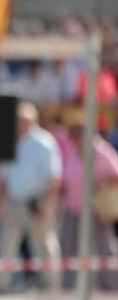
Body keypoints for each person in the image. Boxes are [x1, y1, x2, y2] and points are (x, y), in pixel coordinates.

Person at [0, 101, 62, 291]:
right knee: (7, 244)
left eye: (23, 120)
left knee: (44, 245)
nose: (19, 123)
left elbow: (54, 178)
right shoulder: (10, 141)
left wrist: (47, 205)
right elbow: (4, 176)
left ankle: (52, 285)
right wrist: (0, 202)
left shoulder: (44, 142)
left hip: (36, 201)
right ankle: (2, 285)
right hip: (14, 201)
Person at [52, 109, 118, 290]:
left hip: (96, 210)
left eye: (75, 135)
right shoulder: (73, 152)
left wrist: (99, 183)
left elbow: (115, 174)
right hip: (74, 208)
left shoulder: (100, 150)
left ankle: (112, 286)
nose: (73, 139)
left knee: (104, 248)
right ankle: (69, 284)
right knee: (67, 245)